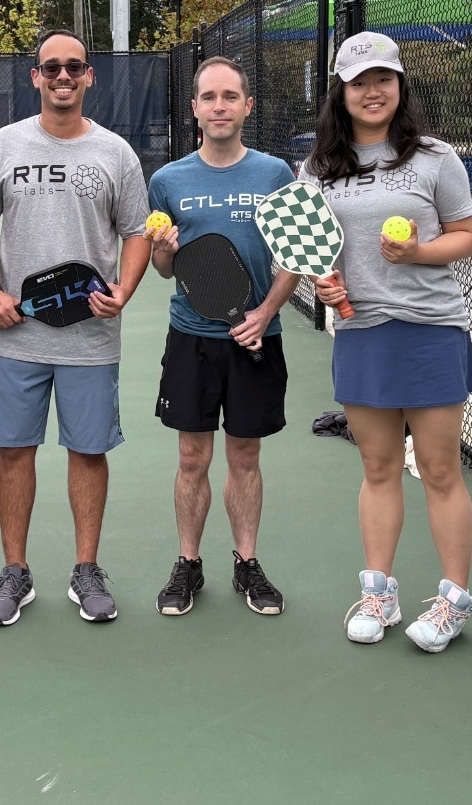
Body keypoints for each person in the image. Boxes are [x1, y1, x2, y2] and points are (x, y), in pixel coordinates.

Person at [299, 31, 472, 653]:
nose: (371, 91)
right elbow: (310, 248)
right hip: (361, 331)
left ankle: (453, 599)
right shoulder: (319, 167)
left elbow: (465, 235)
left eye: (383, 79)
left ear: (400, 86)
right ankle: (380, 592)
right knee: (378, 468)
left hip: (431, 329)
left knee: (437, 469)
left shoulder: (434, 157)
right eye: (358, 82)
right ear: (341, 93)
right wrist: (320, 282)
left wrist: (418, 252)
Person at [0, 29, 150, 626]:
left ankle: (86, 569)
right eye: (52, 67)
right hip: (16, 335)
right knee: (14, 451)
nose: (63, 76)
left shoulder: (117, 153)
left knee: (87, 452)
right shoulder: (2, 146)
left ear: (90, 76)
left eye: (74, 67)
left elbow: (137, 233)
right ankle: (14, 572)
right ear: (36, 77)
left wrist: (122, 290)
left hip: (90, 338)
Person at [144, 57, 300, 617]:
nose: (219, 106)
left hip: (259, 333)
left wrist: (265, 312)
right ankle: (188, 564)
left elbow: (295, 255)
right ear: (195, 108)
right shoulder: (168, 181)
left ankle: (247, 562)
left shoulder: (275, 174)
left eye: (230, 96)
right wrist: (162, 251)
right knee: (192, 456)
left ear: (246, 106)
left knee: (246, 455)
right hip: (192, 336)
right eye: (208, 97)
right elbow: (166, 269)